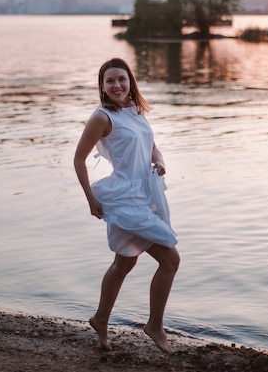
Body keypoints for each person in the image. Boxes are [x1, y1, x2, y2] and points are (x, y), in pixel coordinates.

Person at [74, 58, 180, 355]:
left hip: (146, 193)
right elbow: (78, 160)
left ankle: (100, 319)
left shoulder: (136, 111)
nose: (117, 85)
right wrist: (91, 200)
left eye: (122, 79)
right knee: (170, 260)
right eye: (110, 81)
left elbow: (150, 144)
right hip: (124, 198)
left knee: (125, 262)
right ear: (103, 87)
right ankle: (154, 325)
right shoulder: (102, 118)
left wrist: (158, 160)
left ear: (130, 81)